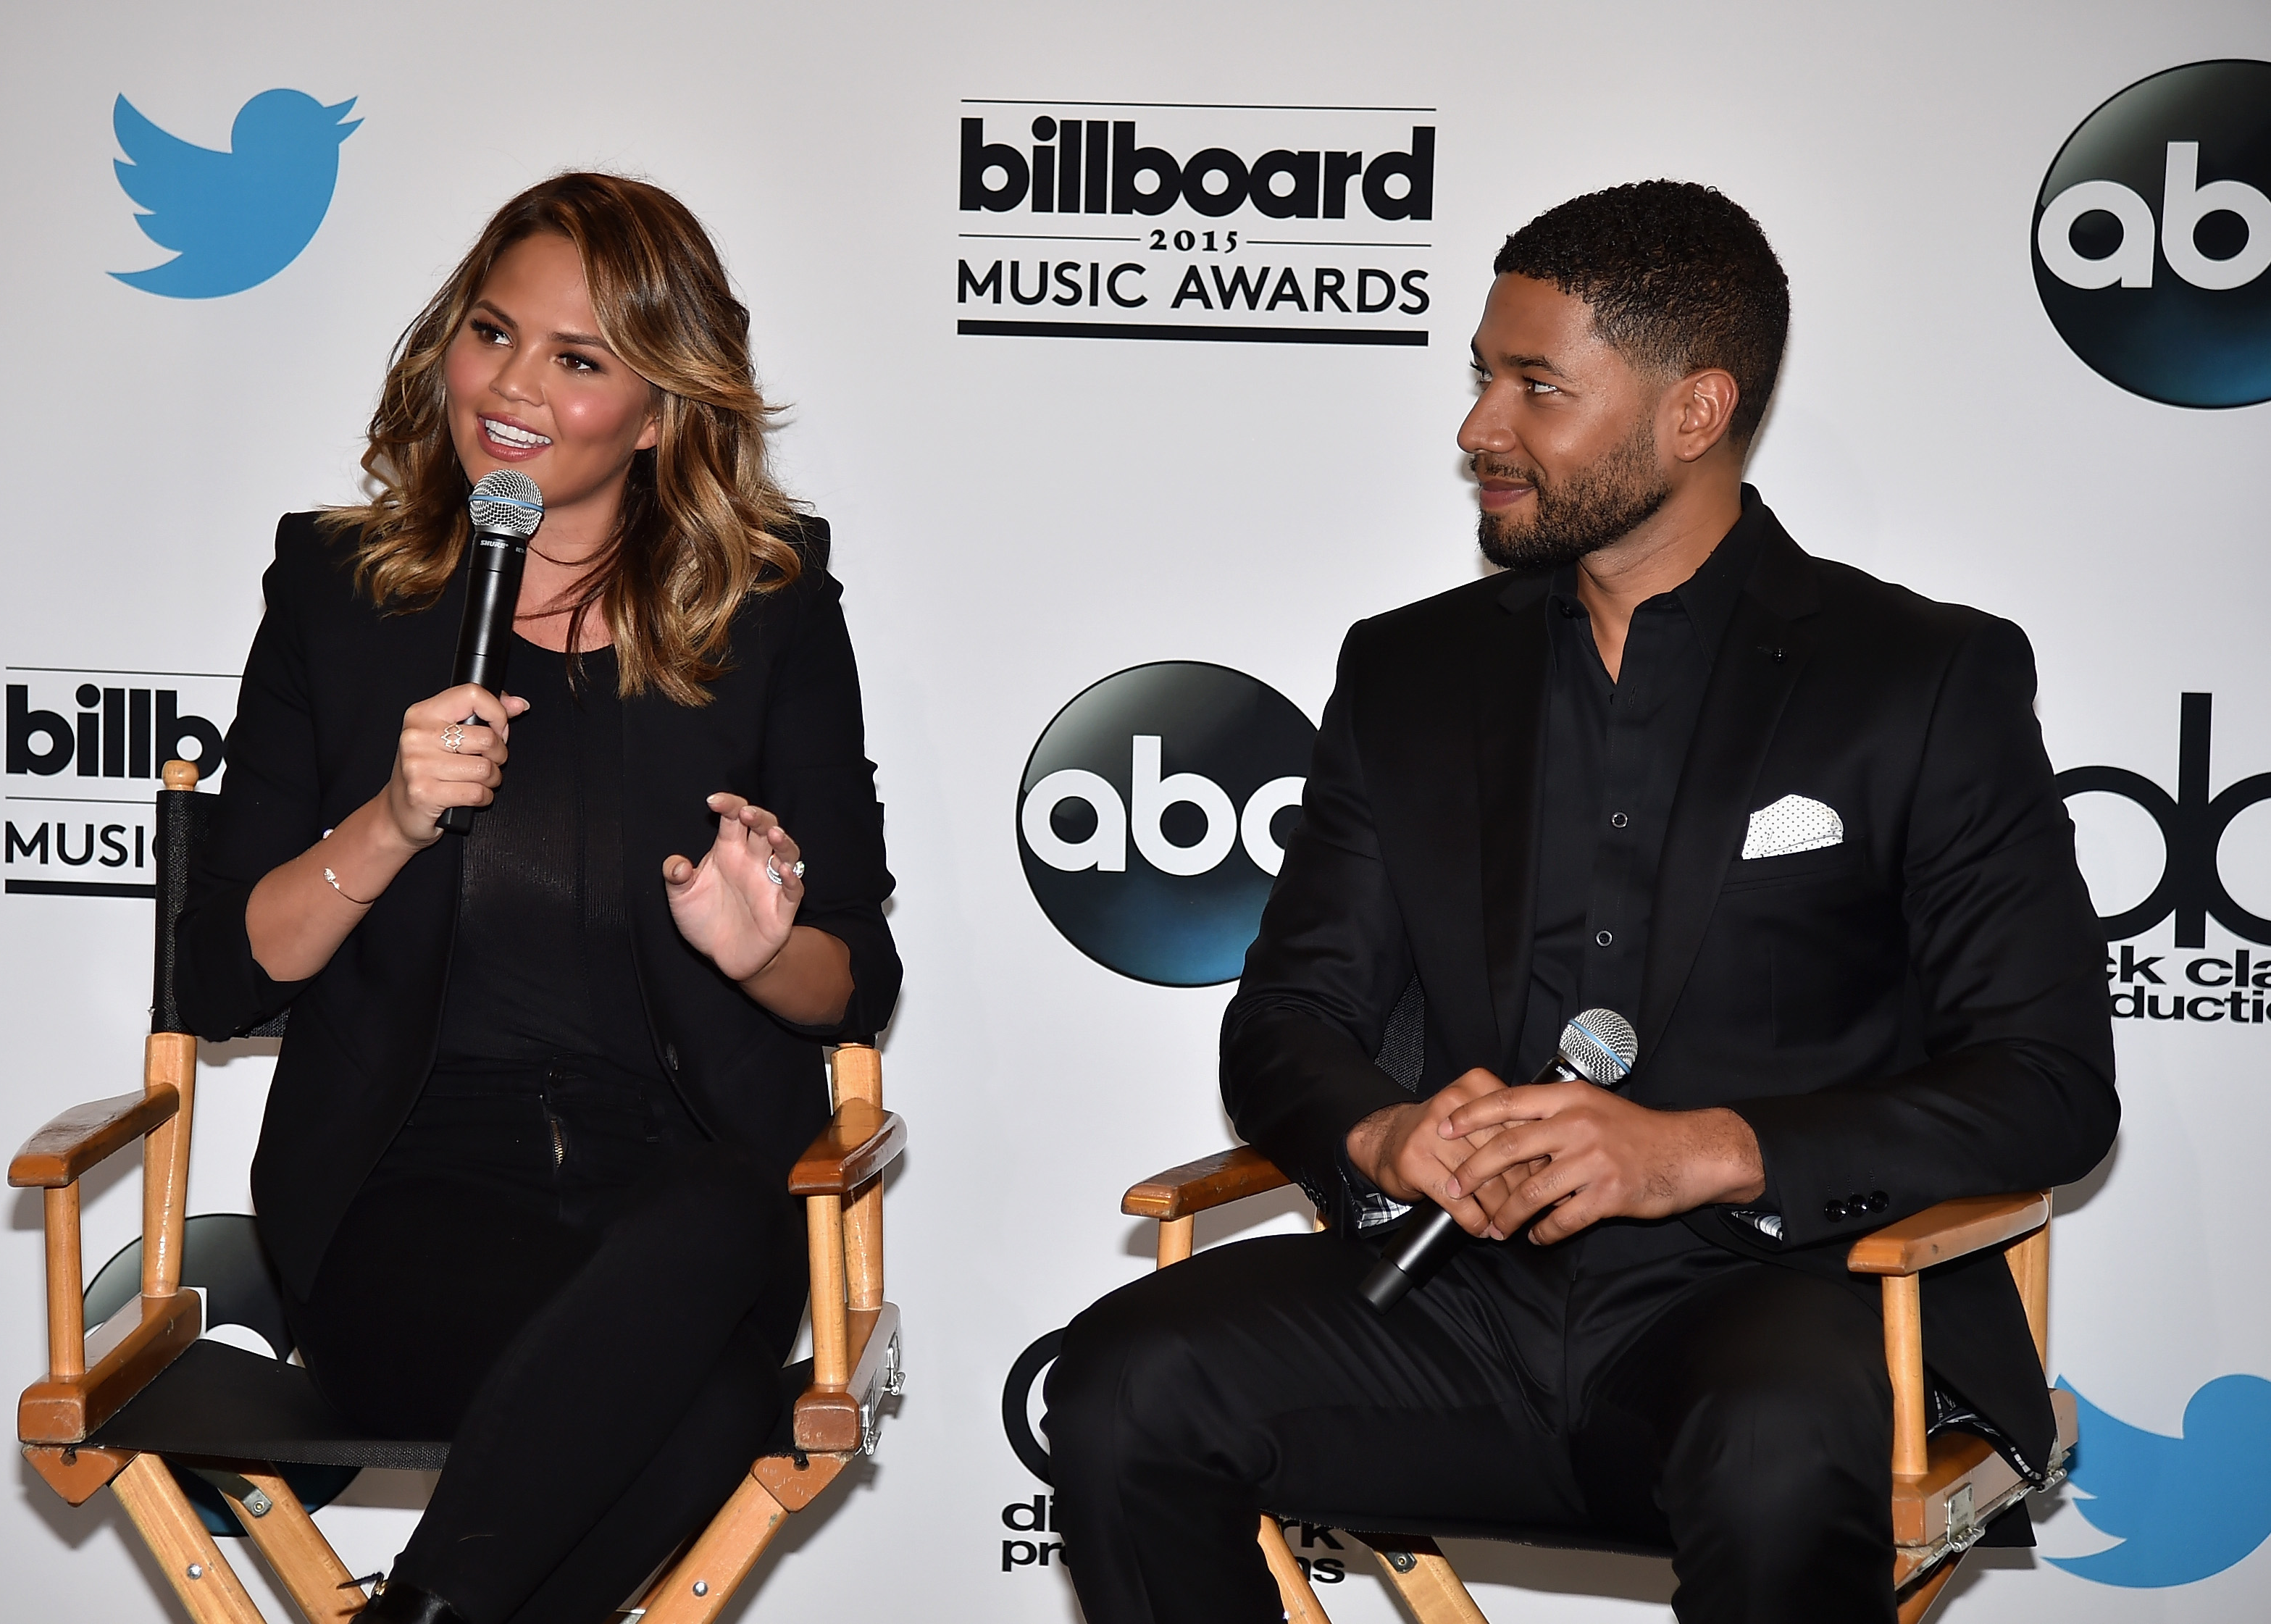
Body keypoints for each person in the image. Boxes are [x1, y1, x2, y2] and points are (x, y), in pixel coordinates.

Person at [1045, 181, 2116, 1623]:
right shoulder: (1408, 672)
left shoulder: (1918, 678)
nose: (1478, 427)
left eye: (1535, 387)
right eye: (1482, 376)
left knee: (1773, 1443)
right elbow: (1290, 1016)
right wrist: (1384, 1133)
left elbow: (2047, 1082)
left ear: (1694, 412)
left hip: (1780, 1299)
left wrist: (1699, 1152)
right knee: (1124, 1379)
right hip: (1451, 1303)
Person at [176, 172, 900, 1624]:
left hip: (686, 1195)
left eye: (577, 359)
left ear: (661, 409)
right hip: (405, 1205)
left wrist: (759, 951)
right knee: (704, 1410)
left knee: (719, 1217)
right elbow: (222, 976)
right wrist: (387, 822)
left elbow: (853, 980)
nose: (510, 388)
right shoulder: (338, 590)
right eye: (492, 332)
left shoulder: (766, 605)